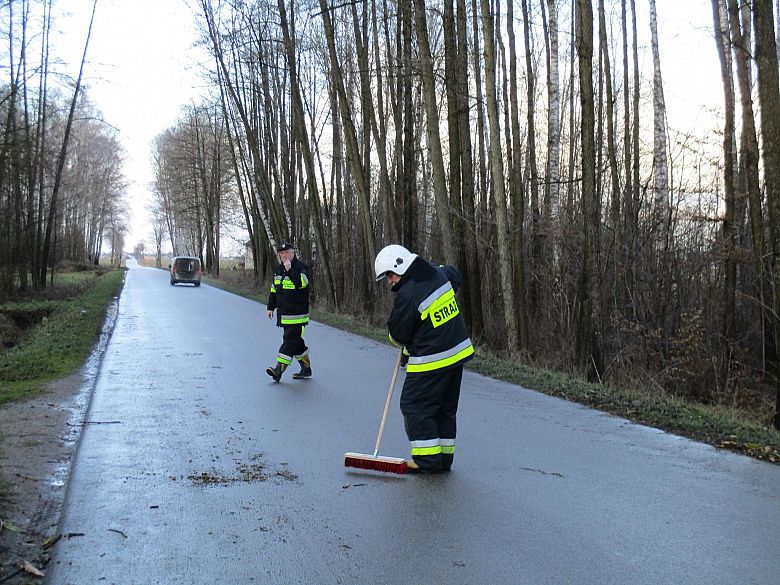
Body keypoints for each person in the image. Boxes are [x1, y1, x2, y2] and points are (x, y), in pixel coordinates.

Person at [374, 244, 474, 473]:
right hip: (457, 354)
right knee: (444, 409)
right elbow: (455, 275)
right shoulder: (439, 273)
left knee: (414, 405)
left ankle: (426, 460)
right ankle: (443, 459)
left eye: (389, 275)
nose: (389, 281)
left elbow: (397, 335)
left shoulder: (409, 293)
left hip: (433, 359)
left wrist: (404, 341)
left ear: (400, 265)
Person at [266, 241, 312, 382]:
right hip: (284, 315)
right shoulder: (278, 270)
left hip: (297, 315)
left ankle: (278, 370)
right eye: (281, 253)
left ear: (293, 253)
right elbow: (274, 290)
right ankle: (306, 368)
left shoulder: (301, 267)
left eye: (286, 253)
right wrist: (270, 307)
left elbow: (301, 284)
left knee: (289, 341)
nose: (283, 255)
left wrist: (290, 270)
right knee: (296, 343)